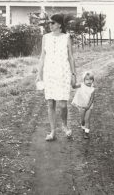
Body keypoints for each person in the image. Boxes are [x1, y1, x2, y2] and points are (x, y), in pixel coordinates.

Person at [37, 13, 77, 141]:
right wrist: (39, 74)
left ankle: (65, 126)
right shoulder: (45, 37)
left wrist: (73, 74)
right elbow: (42, 56)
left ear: (59, 25)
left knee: (63, 104)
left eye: (52, 23)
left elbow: (70, 57)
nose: (50, 25)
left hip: (63, 72)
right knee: (50, 103)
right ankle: (53, 131)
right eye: (49, 23)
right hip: (49, 73)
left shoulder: (66, 37)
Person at [72, 71, 95, 139]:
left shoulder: (92, 89)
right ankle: (82, 125)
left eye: (91, 79)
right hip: (81, 105)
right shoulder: (81, 85)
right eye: (87, 79)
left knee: (87, 119)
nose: (89, 81)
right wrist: (73, 78)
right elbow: (74, 86)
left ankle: (86, 133)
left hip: (89, 106)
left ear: (93, 80)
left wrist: (88, 106)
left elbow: (92, 99)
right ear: (84, 80)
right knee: (83, 119)